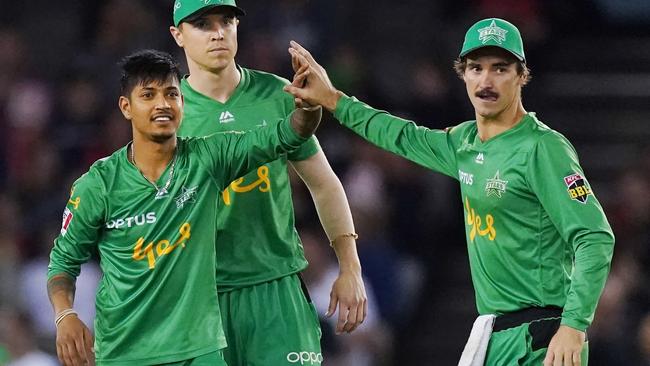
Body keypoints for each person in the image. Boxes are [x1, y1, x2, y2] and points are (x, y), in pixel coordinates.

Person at [284, 18, 615, 366]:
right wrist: (334, 99)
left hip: (541, 338)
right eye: (476, 68)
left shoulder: (543, 148)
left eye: (500, 68)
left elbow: (594, 237)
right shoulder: (465, 142)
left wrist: (573, 326)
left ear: (521, 75)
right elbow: (402, 135)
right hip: (495, 334)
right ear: (463, 75)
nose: (486, 80)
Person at [46, 49, 321, 366]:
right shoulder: (99, 185)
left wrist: (309, 106)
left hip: (199, 348)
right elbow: (63, 262)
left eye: (171, 94)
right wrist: (65, 315)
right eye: (148, 95)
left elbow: (288, 133)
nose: (162, 104)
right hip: (126, 349)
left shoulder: (209, 159)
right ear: (126, 107)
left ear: (182, 104)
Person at [168, 2, 367, 365]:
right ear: (178, 35)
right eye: (201, 24)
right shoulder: (166, 113)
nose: (218, 32)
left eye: (226, 21)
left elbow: (323, 184)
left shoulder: (278, 95)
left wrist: (350, 267)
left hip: (276, 291)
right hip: (199, 299)